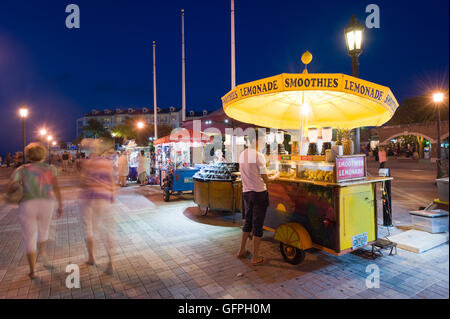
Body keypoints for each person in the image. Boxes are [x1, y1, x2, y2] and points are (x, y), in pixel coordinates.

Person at [8, 143, 63, 279]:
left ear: (27, 155)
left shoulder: (21, 170)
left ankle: (32, 270)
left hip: (27, 204)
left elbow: (12, 186)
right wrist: (60, 204)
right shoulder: (51, 169)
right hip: (46, 203)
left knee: (29, 236)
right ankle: (42, 255)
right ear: (43, 155)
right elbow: (56, 188)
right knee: (43, 231)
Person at [236, 133, 279, 265]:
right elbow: (266, 179)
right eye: (263, 140)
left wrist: (269, 172)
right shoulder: (258, 155)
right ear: (255, 140)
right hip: (259, 194)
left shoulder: (243, 154)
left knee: (248, 222)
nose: (264, 142)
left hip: (247, 193)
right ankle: (255, 257)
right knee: (258, 225)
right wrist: (276, 175)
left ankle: (241, 251)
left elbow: (254, 172)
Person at [79, 145, 116, 274]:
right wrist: (112, 195)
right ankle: (111, 261)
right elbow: (112, 181)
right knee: (105, 229)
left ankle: (91, 257)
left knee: (88, 227)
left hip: (88, 198)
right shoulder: (107, 163)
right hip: (103, 198)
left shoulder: (87, 163)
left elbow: (83, 181)